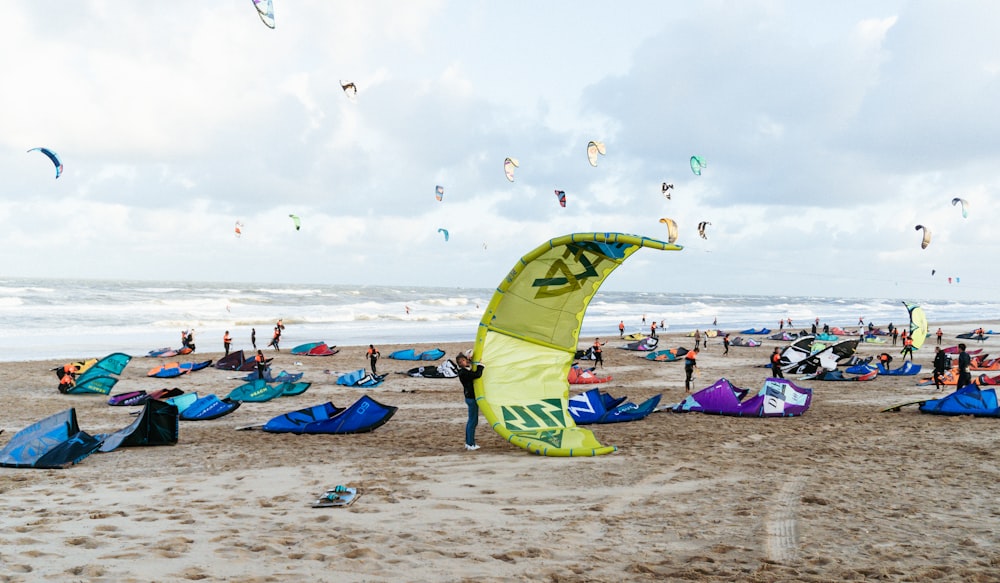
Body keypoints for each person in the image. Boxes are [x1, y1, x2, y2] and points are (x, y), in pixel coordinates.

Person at [456, 354, 485, 451]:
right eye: (462, 362)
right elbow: (477, 374)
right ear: (460, 364)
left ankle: (469, 443)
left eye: (465, 360)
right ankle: (470, 444)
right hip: (471, 399)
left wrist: (472, 360)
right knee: (472, 421)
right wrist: (481, 366)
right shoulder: (463, 373)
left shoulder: (465, 370)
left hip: (470, 397)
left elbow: (471, 369)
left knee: (473, 421)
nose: (465, 362)